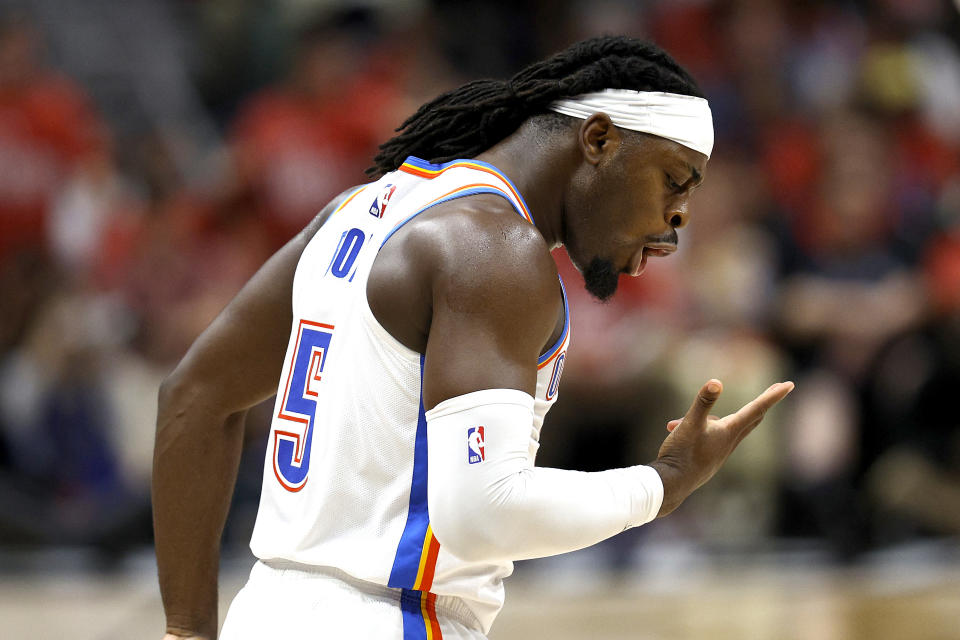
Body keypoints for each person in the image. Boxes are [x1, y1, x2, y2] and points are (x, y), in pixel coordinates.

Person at [153, 36, 794, 640]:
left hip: (267, 611)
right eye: (674, 181)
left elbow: (193, 397)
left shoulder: (357, 210)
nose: (680, 217)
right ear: (598, 139)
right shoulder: (495, 249)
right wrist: (664, 484)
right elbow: (481, 511)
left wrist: (185, 631)